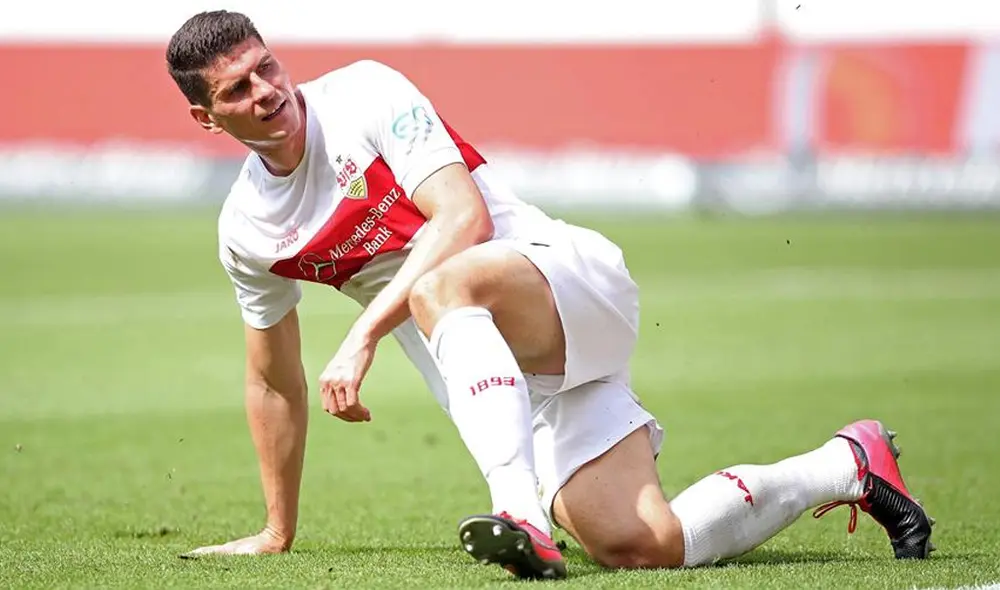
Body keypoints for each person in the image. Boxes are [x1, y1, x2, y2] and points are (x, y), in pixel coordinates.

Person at [165, 10, 936, 579]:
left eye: (267, 66)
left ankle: (519, 513)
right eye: (239, 87)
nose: (267, 90)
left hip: (564, 280)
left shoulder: (364, 94)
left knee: (444, 279)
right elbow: (272, 380)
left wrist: (364, 334)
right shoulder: (249, 231)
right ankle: (846, 463)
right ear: (206, 117)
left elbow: (463, 218)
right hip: (512, 382)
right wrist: (276, 529)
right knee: (642, 546)